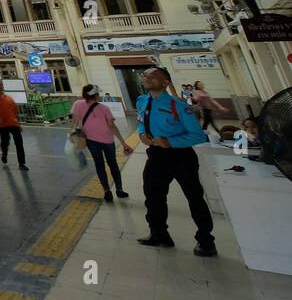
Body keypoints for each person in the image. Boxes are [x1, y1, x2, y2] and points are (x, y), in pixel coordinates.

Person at [136, 66, 215, 256]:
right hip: (156, 155)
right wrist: (142, 135)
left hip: (181, 156)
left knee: (194, 197)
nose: (146, 76)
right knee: (153, 195)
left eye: (152, 75)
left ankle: (206, 240)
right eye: (145, 74)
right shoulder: (142, 101)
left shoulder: (178, 105)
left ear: (165, 83)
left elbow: (198, 136)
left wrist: (171, 142)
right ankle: (159, 233)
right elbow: (141, 122)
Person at [70, 85, 133, 201]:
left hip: (90, 141)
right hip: (107, 141)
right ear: (96, 95)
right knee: (113, 164)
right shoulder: (104, 108)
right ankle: (119, 190)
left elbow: (74, 122)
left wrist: (73, 135)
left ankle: (106, 191)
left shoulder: (77, 104)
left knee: (99, 165)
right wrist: (124, 143)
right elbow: (112, 126)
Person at [0, 79, 27, 170]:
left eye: (0, 84)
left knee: (19, 143)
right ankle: (4, 154)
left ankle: (21, 163)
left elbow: (15, 113)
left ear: (3, 86)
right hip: (2, 124)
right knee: (5, 142)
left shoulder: (9, 98)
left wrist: (19, 125)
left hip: (13, 123)